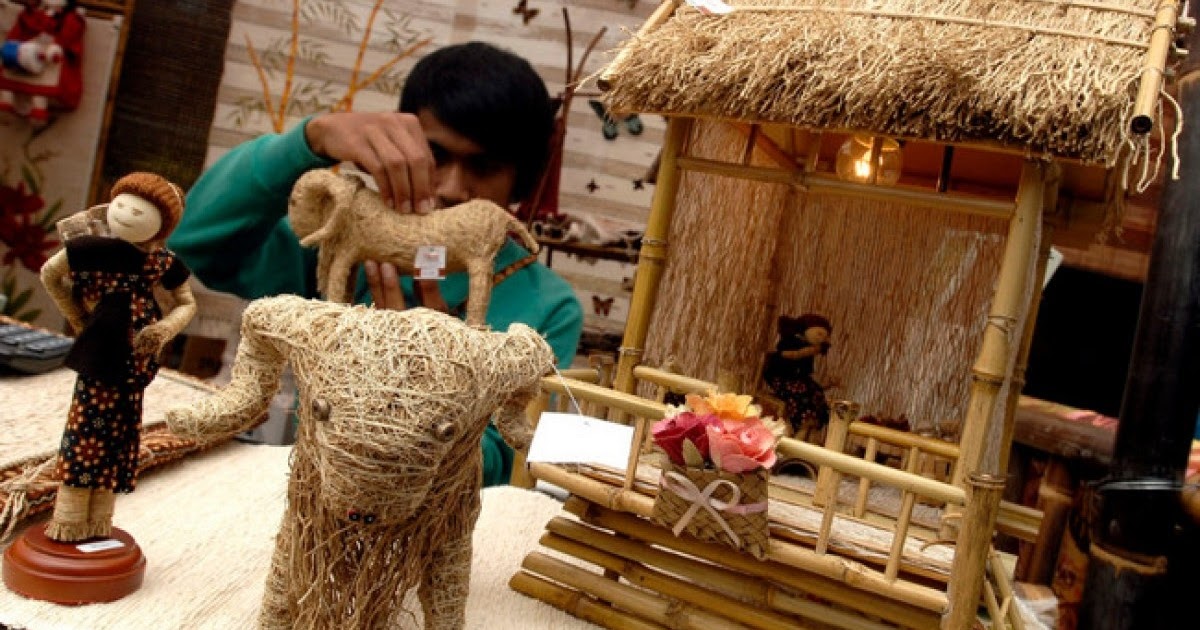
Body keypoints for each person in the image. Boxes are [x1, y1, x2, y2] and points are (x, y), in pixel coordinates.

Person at [169, 42, 583, 487]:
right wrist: (311, 140)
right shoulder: (333, 246)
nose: (451, 188)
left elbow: (508, 462)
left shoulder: (549, 309)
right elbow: (195, 242)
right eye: (436, 157)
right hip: (298, 490)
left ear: (520, 176)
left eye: (485, 166)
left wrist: (425, 383)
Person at [41, 172, 196, 541]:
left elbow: (187, 303)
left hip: (138, 359)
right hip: (98, 353)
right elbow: (50, 274)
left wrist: (164, 330)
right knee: (85, 429)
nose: (126, 213)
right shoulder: (89, 247)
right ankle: (69, 516)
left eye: (140, 211)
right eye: (122, 204)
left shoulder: (161, 262)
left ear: (161, 226)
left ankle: (99, 518)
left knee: (121, 432)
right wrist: (77, 315)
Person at [762, 313, 832, 442]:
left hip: (798, 380)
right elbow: (788, 355)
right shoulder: (791, 340)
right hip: (782, 377)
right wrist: (810, 351)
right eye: (819, 334)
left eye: (825, 336)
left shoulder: (810, 348)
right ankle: (802, 425)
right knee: (801, 393)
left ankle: (812, 426)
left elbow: (806, 373)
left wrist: (826, 385)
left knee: (816, 393)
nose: (822, 339)